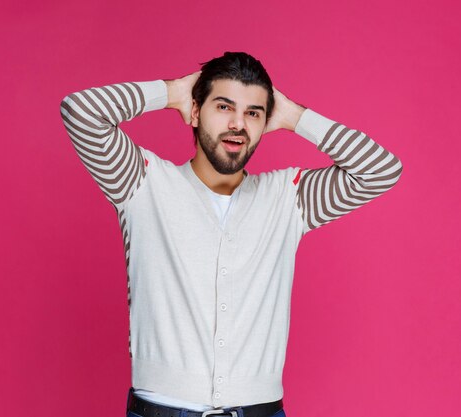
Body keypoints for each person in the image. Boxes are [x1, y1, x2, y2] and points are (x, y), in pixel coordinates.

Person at [59, 52, 403, 417]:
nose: (238, 124)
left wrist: (293, 116)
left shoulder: (289, 197)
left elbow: (380, 171)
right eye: (223, 107)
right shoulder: (142, 183)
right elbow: (80, 112)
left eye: (253, 113)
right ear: (195, 112)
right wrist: (173, 91)